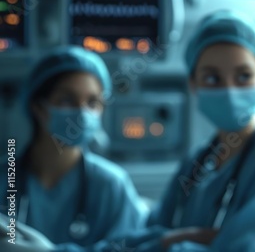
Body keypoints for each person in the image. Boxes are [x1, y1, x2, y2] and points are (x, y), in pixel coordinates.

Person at [140, 9, 255, 252]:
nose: (229, 89)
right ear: (193, 85)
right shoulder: (199, 160)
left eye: (243, 76)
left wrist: (173, 241)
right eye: (213, 78)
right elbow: (154, 231)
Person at [0, 46, 148, 247]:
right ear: (38, 107)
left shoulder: (111, 185)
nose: (82, 112)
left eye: (93, 102)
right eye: (67, 100)